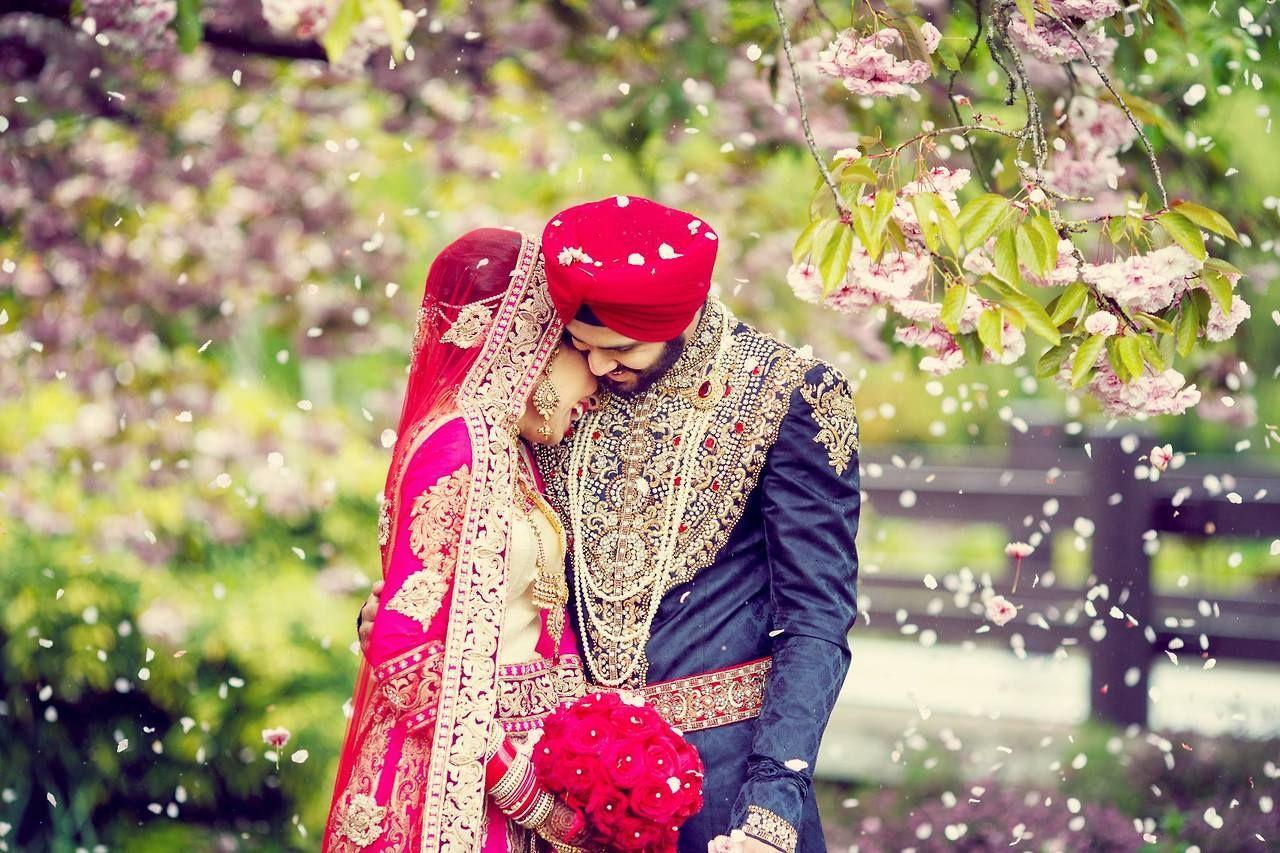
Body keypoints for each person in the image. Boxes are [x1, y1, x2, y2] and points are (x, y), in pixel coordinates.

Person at [358, 197, 861, 853]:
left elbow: (817, 616)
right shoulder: (556, 396)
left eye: (618, 349)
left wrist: (773, 803)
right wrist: (405, 623)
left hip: (725, 785)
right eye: (578, 344)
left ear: (676, 319)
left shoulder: (790, 394)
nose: (596, 367)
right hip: (562, 793)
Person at [325, 227, 598, 853]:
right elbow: (405, 641)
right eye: (580, 352)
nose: (598, 384)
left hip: (508, 759)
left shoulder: (509, 450)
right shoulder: (459, 443)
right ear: (531, 344)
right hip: (460, 784)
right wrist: (519, 786)